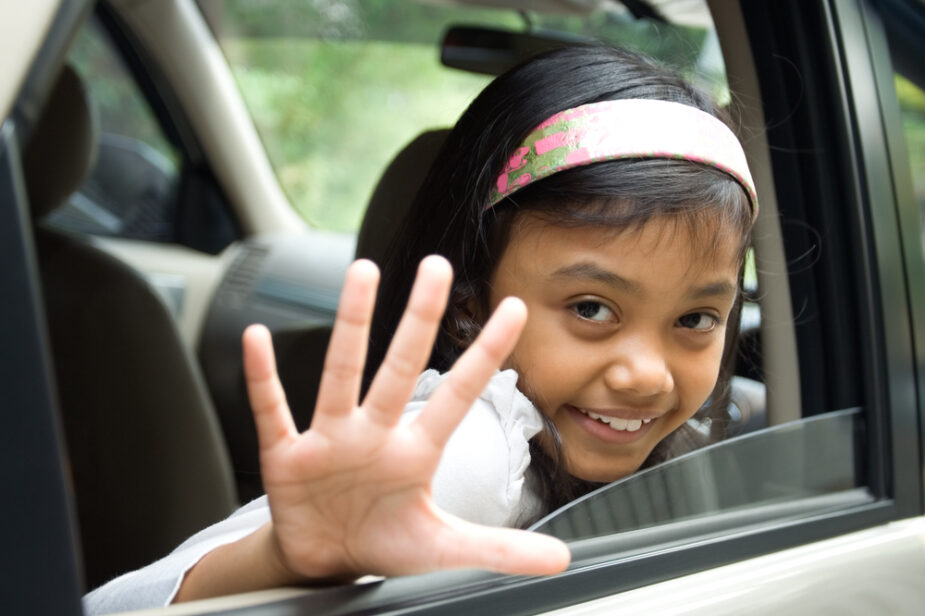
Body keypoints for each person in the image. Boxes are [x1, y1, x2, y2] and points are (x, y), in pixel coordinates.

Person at [83, 44, 757, 614]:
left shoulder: (676, 448)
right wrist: (283, 559)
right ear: (468, 309)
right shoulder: (473, 453)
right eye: (590, 309)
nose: (646, 375)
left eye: (695, 319)